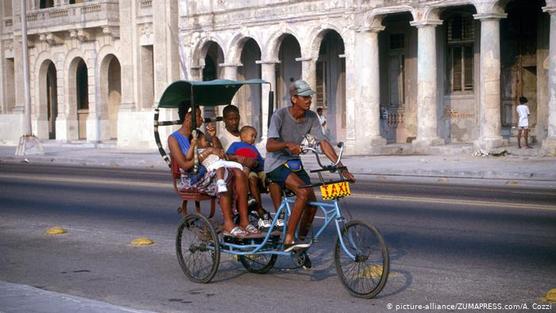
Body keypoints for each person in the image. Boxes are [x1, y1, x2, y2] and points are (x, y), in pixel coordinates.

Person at [265, 80, 355, 252]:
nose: (308, 100)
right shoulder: (280, 115)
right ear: (294, 99)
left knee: (312, 204)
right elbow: (269, 146)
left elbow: (323, 142)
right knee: (302, 192)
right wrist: (286, 144)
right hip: (275, 163)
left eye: (309, 97)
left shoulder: (312, 117)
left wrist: (342, 168)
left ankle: (300, 242)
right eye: (304, 97)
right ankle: (289, 239)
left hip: (294, 164)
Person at [168, 107, 260, 237]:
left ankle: (244, 221)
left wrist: (213, 138)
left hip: (209, 170)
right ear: (188, 117)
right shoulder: (174, 138)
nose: (201, 119)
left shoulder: (198, 134)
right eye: (199, 116)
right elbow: (185, 165)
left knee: (239, 173)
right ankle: (228, 223)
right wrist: (207, 152)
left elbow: (219, 153)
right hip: (193, 177)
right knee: (226, 177)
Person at [227, 126, 274, 228]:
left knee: (270, 176)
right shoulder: (236, 145)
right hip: (245, 171)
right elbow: (228, 156)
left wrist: (256, 163)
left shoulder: (254, 148)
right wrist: (238, 158)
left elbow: (261, 162)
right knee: (252, 178)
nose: (254, 138)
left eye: (255, 136)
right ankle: (258, 206)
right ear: (243, 136)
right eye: (252, 136)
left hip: (257, 169)